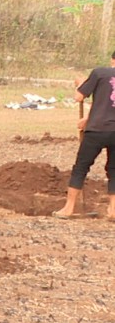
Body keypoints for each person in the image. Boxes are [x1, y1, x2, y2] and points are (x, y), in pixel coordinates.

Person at [54, 53, 115, 218]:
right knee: (114, 169)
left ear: (112, 60)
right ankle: (114, 210)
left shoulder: (100, 73)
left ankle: (68, 208)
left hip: (96, 130)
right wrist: (88, 118)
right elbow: (110, 104)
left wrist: (80, 85)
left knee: (80, 168)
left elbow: (79, 96)